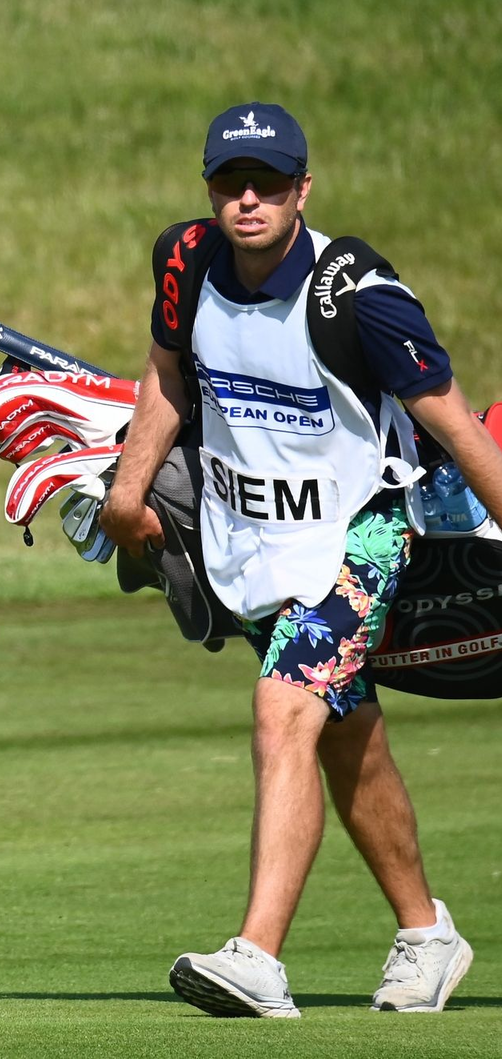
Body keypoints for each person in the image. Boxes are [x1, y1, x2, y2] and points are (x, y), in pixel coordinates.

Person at [99, 102, 502, 1017]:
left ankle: (257, 957)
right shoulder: (185, 259)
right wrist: (130, 491)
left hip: (358, 533)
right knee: (345, 737)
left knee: (284, 709)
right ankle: (427, 934)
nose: (248, 200)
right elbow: (167, 369)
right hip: (248, 545)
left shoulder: (358, 292)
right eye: (230, 182)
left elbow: (452, 418)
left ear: (302, 190)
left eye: (269, 184)